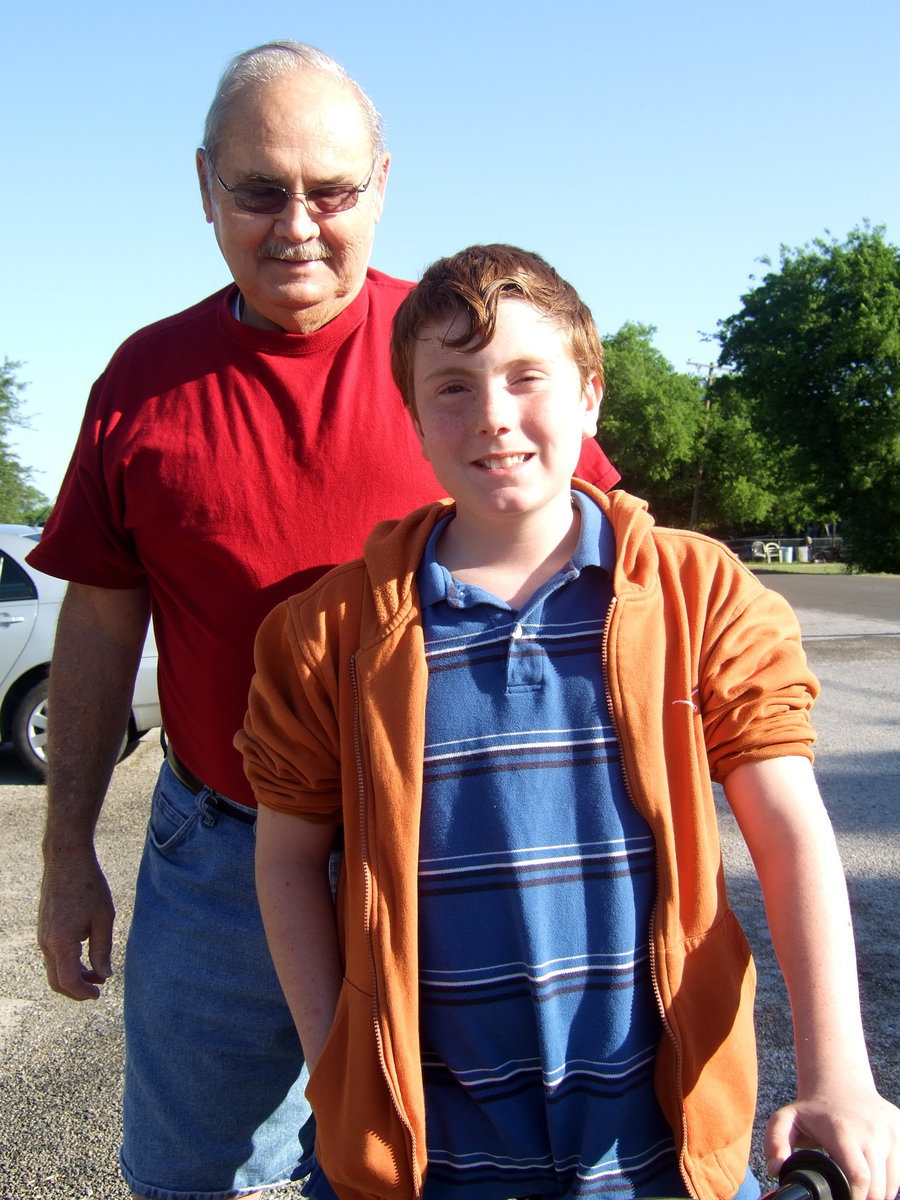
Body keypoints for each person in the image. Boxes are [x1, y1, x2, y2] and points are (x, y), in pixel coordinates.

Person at [29, 43, 621, 1200]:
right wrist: (66, 858)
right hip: (222, 852)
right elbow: (100, 632)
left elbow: (599, 586)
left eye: (331, 190)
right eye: (259, 189)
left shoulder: (465, 370)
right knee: (196, 1178)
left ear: (381, 185)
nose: (297, 223)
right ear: (205, 188)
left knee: (439, 1171)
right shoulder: (141, 384)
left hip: (450, 857)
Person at [239, 244, 900, 1200]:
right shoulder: (327, 633)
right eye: (454, 387)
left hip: (660, 1153)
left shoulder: (697, 593)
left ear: (590, 395)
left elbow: (792, 831)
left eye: (526, 376)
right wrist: (338, 1061)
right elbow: (288, 858)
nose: (494, 415)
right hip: (436, 1164)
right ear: (415, 419)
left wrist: (840, 1071)